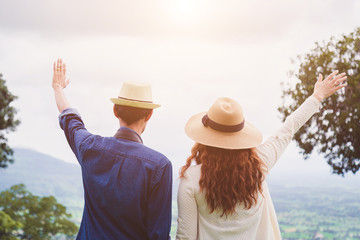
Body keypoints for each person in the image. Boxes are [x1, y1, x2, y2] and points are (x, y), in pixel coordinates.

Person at [176, 71, 347, 240]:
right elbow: (289, 128)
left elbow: (185, 237)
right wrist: (316, 97)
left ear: (204, 138)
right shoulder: (259, 165)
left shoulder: (191, 179)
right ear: (241, 135)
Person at [52, 58, 172, 240]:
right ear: (149, 114)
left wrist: (57, 88)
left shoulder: (89, 147)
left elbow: (71, 120)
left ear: (115, 110)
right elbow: (158, 235)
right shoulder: (159, 166)